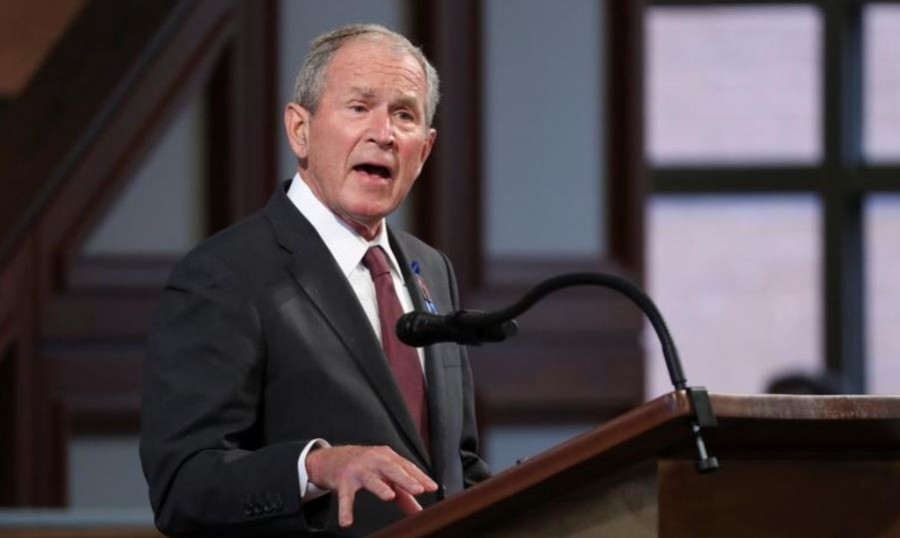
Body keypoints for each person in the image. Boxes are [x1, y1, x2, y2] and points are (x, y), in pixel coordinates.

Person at [140, 24, 489, 537]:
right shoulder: (225, 274)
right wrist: (316, 467)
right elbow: (183, 485)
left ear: (425, 150)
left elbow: (457, 465)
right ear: (300, 130)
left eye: (404, 115)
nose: (384, 133)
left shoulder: (431, 268)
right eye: (359, 107)